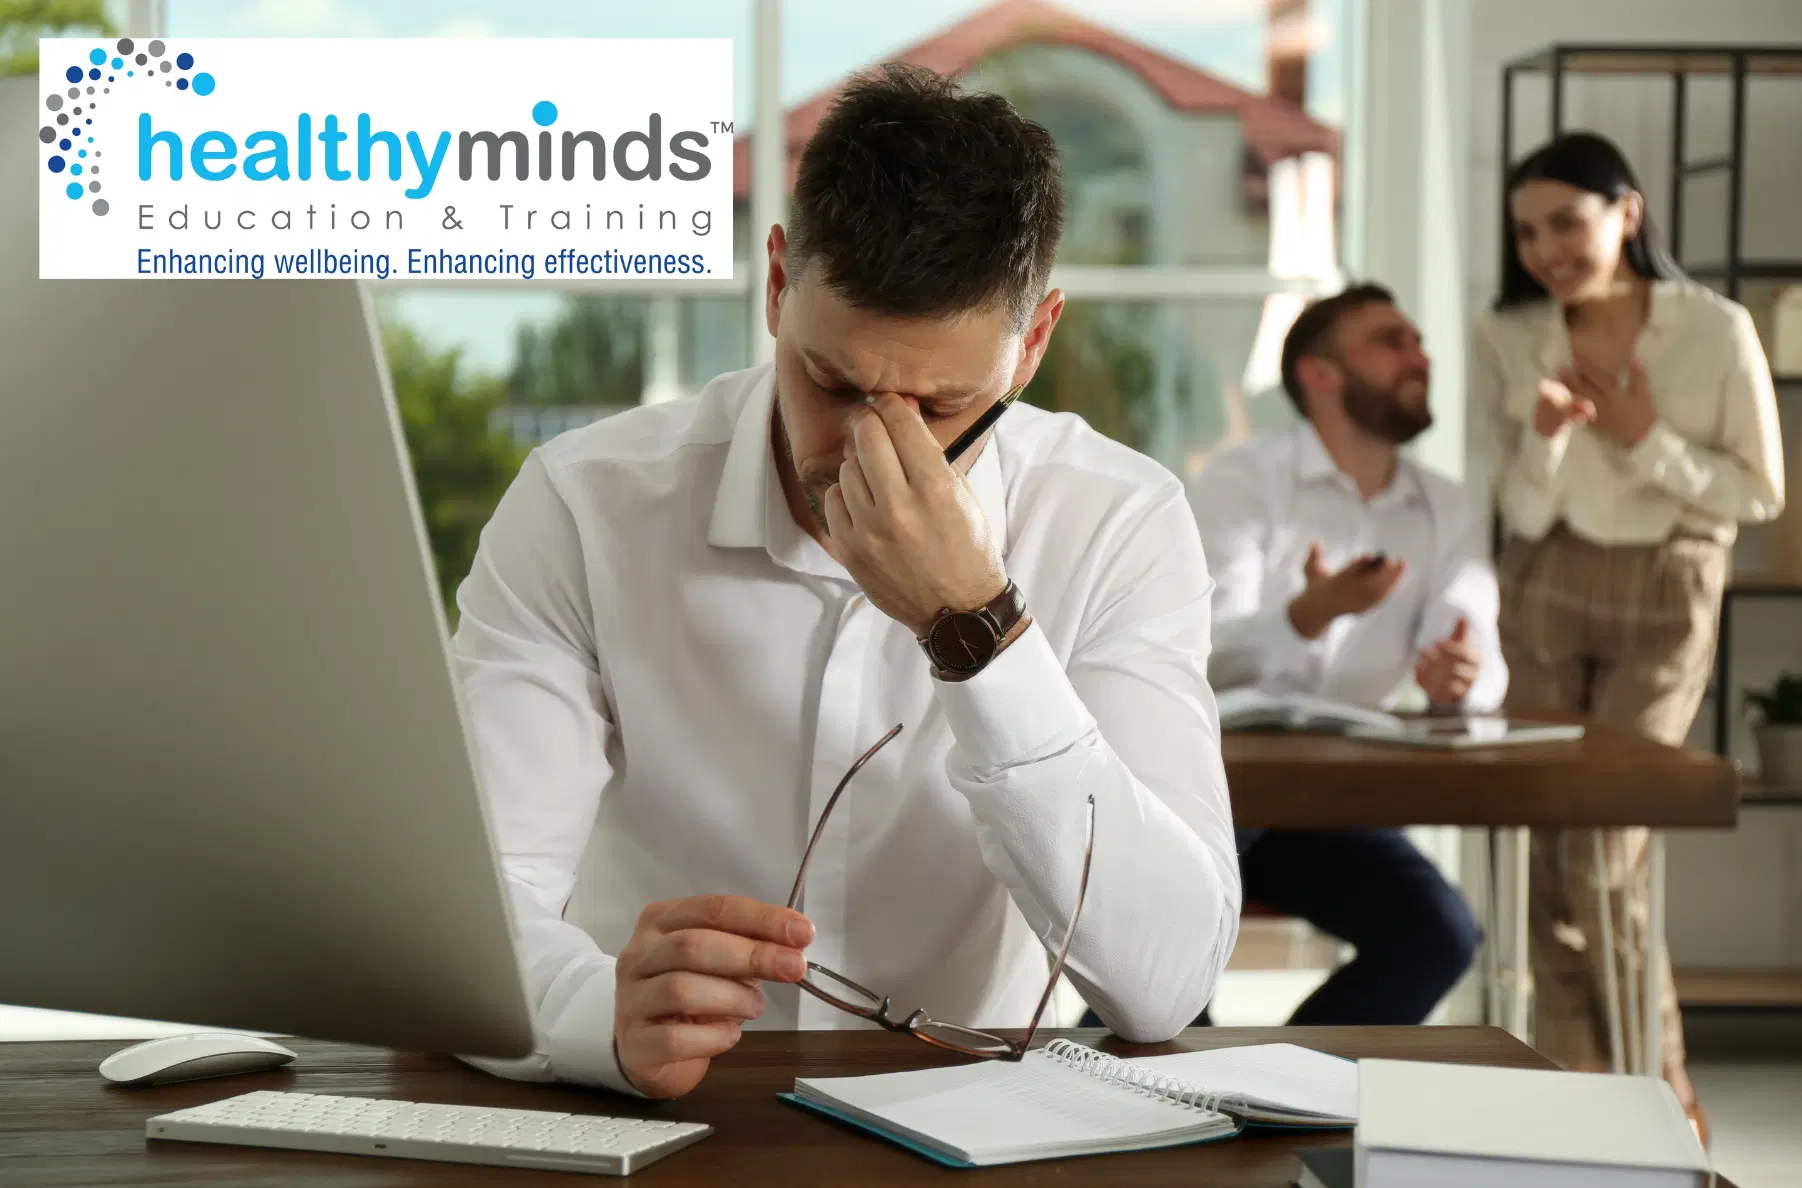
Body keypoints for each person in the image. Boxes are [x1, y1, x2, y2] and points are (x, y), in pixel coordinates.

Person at [447, 64, 1241, 1101]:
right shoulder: (585, 503)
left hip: (972, 1131)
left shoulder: (1114, 521)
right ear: (777, 287)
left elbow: (1164, 984)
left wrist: (977, 627)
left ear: (1033, 342)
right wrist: (590, 1012)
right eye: (833, 384)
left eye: (946, 405)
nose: (874, 449)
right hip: (651, 1118)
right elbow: (472, 908)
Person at [1469, 130, 1785, 1136]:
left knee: (1604, 847)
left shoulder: (1716, 329)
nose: (1546, 248)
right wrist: (1554, 442)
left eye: (1567, 220)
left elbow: (1759, 494)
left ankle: (1657, 1085)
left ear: (1628, 213)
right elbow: (1518, 512)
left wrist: (1644, 441)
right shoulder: (1507, 334)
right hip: (1547, 577)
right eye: (1527, 231)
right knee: (1536, 847)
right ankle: (1589, 1091)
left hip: (1669, 581)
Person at [1187, 284, 1500, 1026]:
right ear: (1319, 376)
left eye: (1416, 340)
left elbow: (1476, 649)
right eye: (1389, 341)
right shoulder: (1241, 481)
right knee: (1172, 942)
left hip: (1330, 804)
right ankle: (1138, 1101)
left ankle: (1281, 1089)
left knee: (1439, 936)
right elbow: (1192, 660)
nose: (1417, 356)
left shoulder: (1446, 507)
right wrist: (1304, 615)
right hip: (1212, 790)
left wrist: (1459, 679)